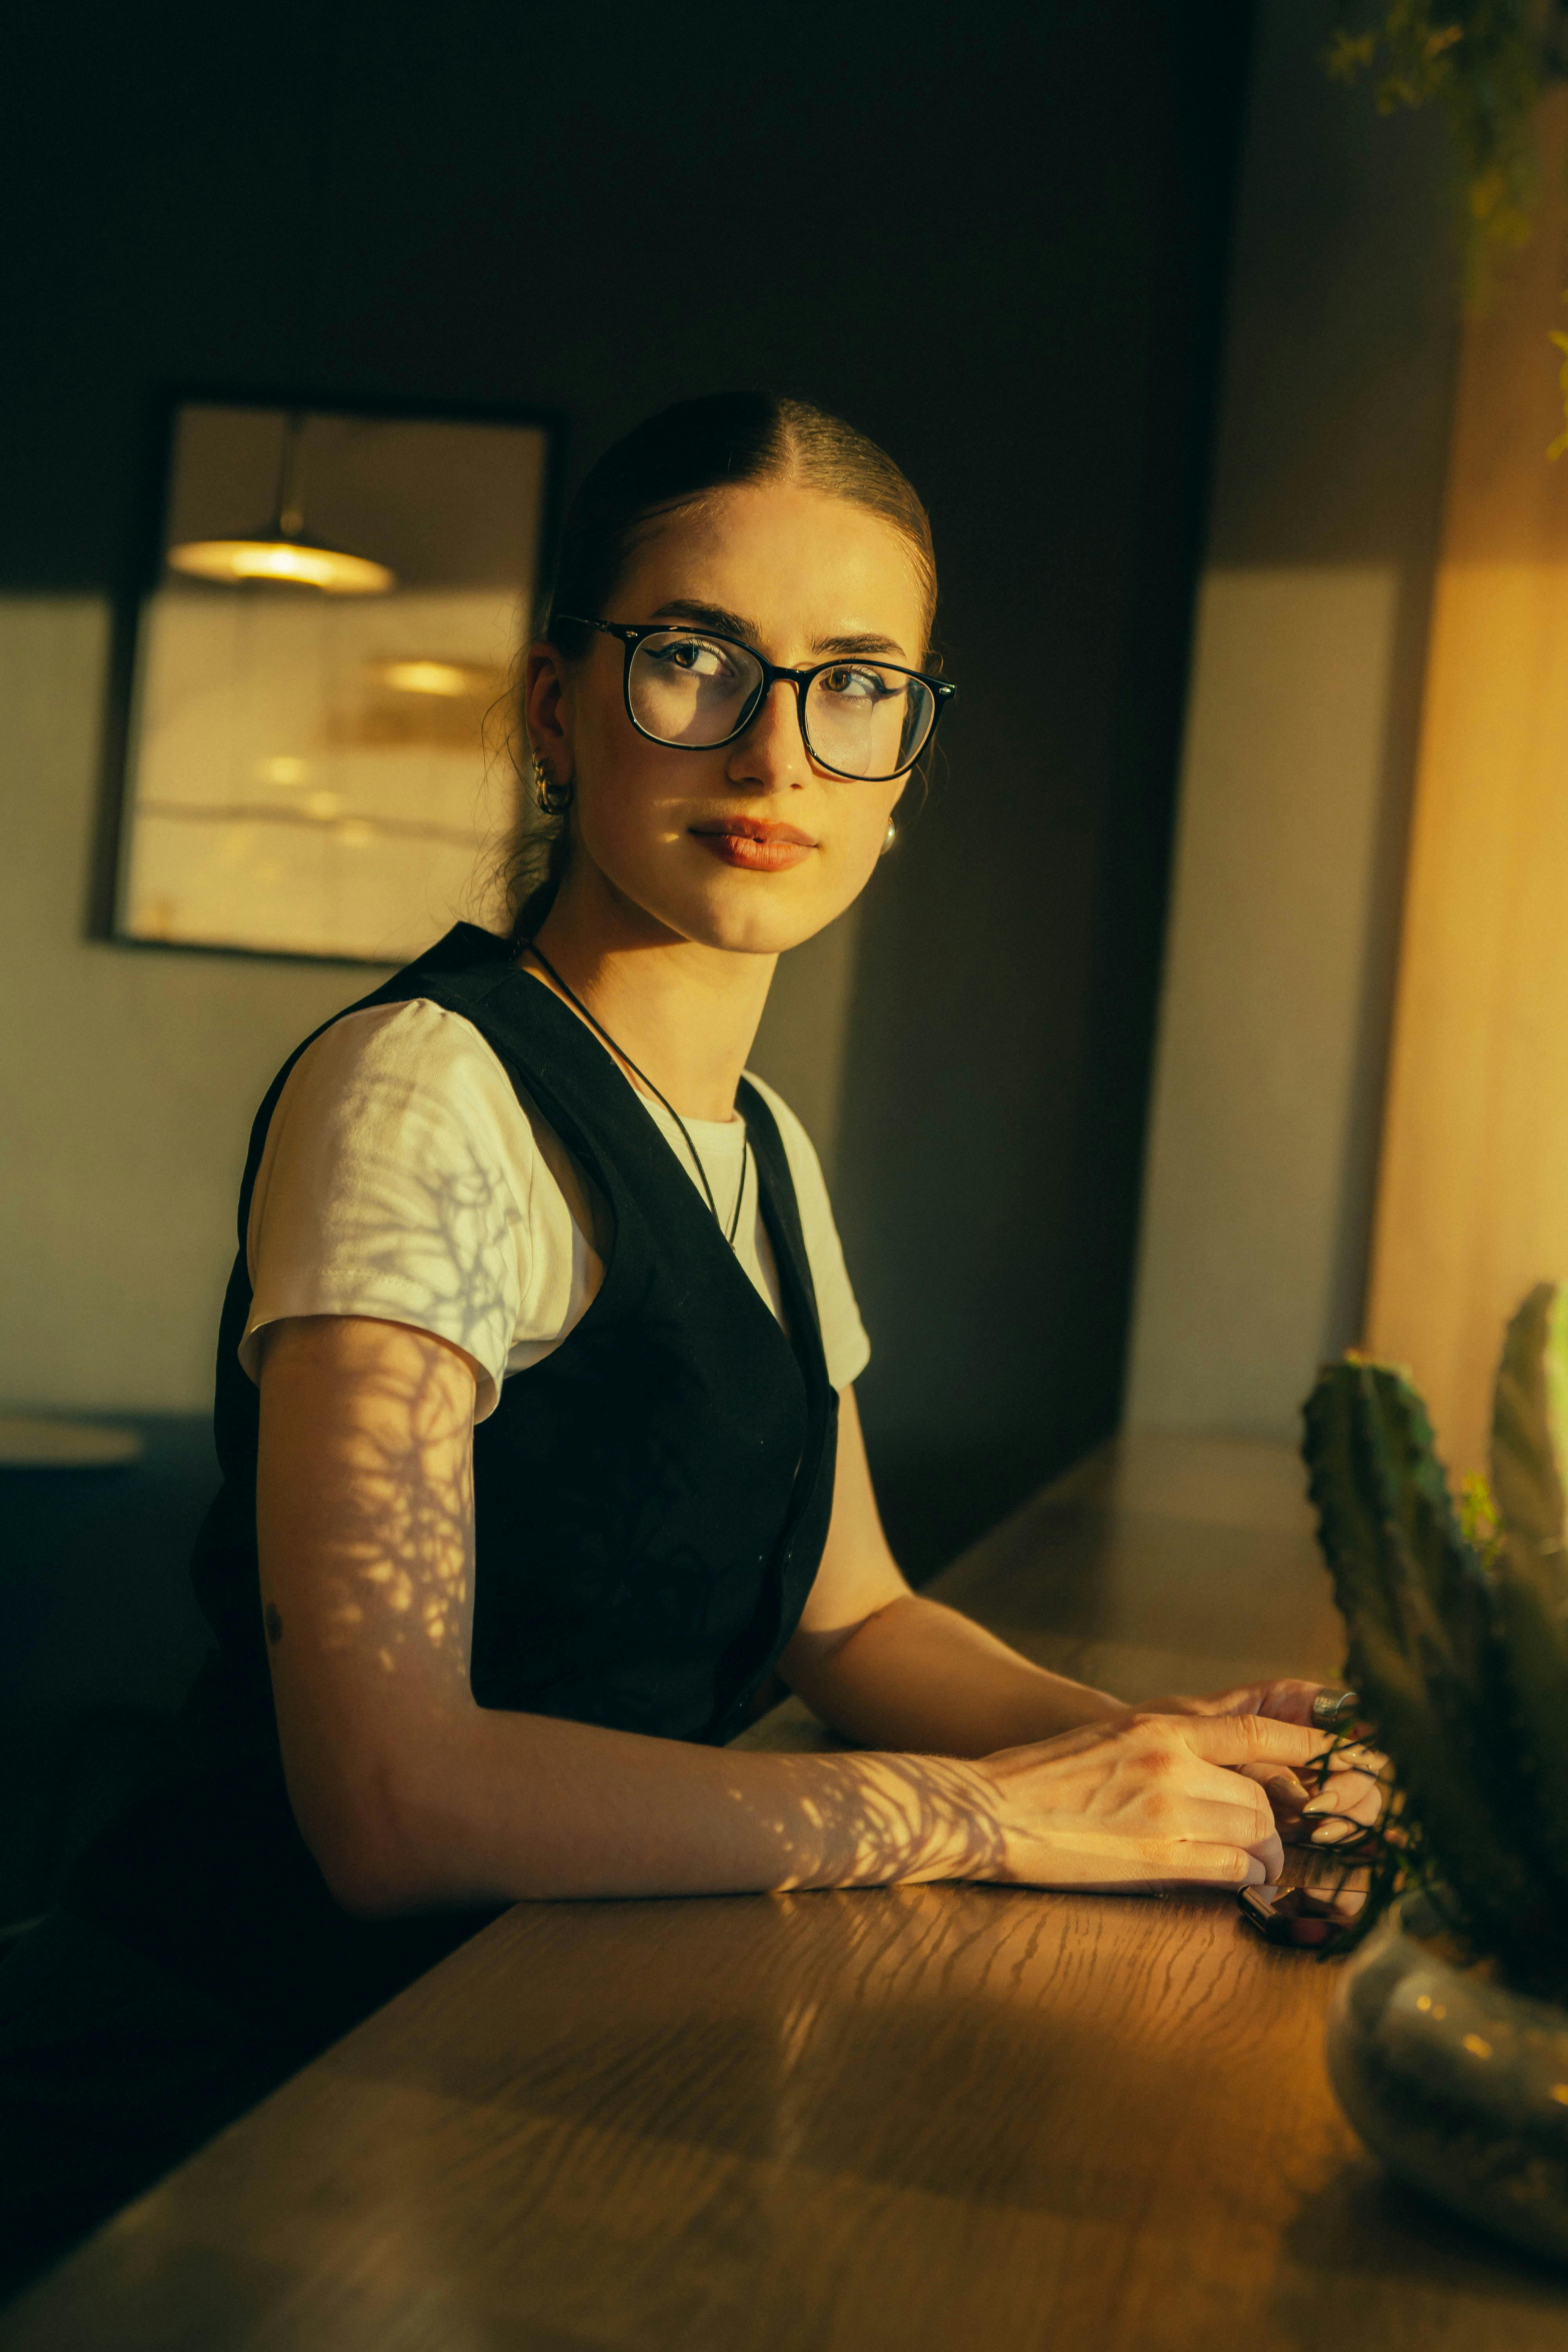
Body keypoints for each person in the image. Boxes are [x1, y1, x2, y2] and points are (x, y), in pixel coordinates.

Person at [0, 392, 1367, 2298]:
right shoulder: (426, 1092)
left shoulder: (763, 1153)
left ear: (907, 761)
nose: (774, 748)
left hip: (524, 2042)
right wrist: (983, 1822)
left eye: (855, 686)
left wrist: (1172, 1764)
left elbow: (854, 1617)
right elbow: (392, 1808)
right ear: (557, 707)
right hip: (224, 2100)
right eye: (694, 661)